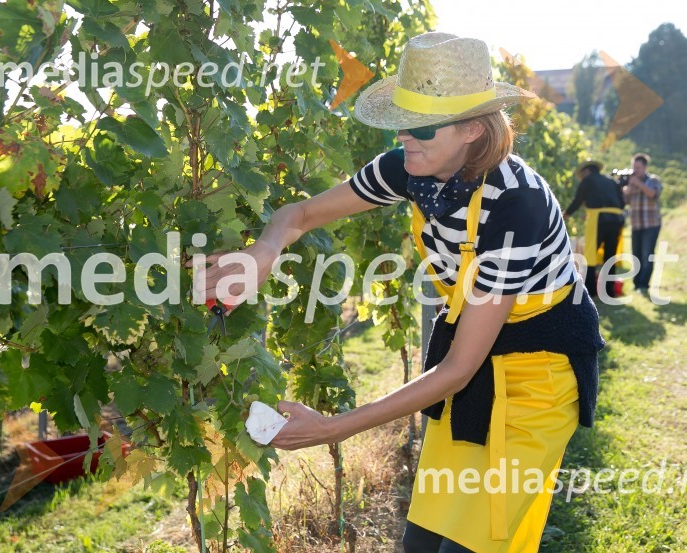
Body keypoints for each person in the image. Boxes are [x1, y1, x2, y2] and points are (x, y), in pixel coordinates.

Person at [193, 32, 604, 553]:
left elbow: (457, 368)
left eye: (421, 126)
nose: (405, 138)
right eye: (401, 123)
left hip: (536, 380)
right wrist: (263, 253)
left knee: (480, 539)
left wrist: (333, 429)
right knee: (423, 540)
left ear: (473, 129)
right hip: (473, 363)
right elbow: (298, 216)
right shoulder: (411, 170)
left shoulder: (515, 206)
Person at [562, 160, 625, 298]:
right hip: (616, 219)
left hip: (599, 219)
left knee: (590, 255)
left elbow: (577, 200)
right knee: (610, 256)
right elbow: (621, 203)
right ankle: (609, 291)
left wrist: (565, 215)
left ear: (586, 171)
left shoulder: (588, 180)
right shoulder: (611, 181)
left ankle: (590, 291)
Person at [622, 153, 662, 294]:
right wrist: (626, 191)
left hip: (651, 225)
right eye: (634, 167)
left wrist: (637, 183)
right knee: (636, 255)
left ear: (645, 167)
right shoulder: (631, 183)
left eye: (638, 167)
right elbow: (625, 202)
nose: (635, 170)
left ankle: (644, 285)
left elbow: (652, 194)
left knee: (647, 255)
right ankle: (637, 283)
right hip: (636, 224)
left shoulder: (653, 180)